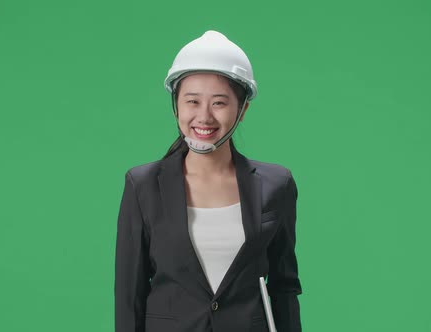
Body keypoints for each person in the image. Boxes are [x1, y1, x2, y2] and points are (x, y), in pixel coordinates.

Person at [115, 30, 303, 332]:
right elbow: (129, 294)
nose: (204, 117)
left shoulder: (276, 184)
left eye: (219, 103)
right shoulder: (143, 185)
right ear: (176, 105)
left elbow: (284, 287)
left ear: (242, 110)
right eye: (192, 101)